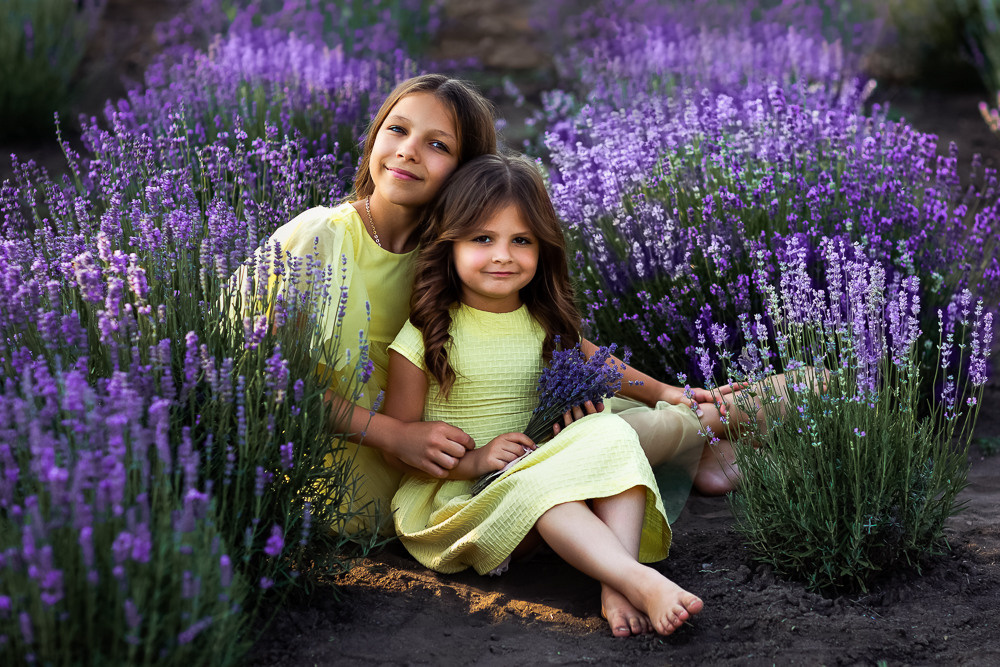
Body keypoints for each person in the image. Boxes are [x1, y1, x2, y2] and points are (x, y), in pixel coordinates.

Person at [382, 153, 708, 637]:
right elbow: (403, 445)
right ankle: (637, 577)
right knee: (547, 491)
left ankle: (616, 583)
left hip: (541, 471)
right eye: (482, 239)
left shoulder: (541, 322)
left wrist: (663, 391)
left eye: (521, 241)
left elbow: (600, 364)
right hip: (465, 502)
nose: (503, 255)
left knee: (611, 432)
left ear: (542, 248)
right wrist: (474, 461)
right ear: (448, 244)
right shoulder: (426, 333)